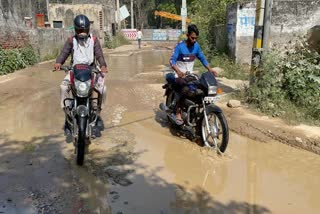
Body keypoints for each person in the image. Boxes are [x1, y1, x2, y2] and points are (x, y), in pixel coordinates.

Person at [54, 14, 108, 135]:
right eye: (80, 30)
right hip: (74, 71)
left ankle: (98, 112)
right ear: (75, 29)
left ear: (88, 29)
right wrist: (58, 62)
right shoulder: (71, 40)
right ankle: (67, 114)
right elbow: (64, 53)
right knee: (63, 87)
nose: (82, 32)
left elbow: (99, 55)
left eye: (84, 30)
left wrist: (103, 66)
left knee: (103, 89)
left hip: (91, 71)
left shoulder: (94, 40)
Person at [169, 24, 218, 125]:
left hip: (190, 75)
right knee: (184, 88)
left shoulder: (196, 46)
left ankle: (195, 110)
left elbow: (202, 58)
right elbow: (172, 61)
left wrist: (210, 69)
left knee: (200, 88)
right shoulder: (180, 46)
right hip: (179, 75)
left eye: (196, 38)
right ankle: (178, 112)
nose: (194, 40)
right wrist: (178, 71)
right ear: (187, 36)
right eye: (192, 38)